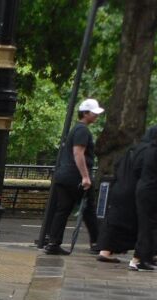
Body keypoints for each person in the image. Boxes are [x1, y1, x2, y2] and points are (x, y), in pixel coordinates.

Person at [96, 121, 157, 269]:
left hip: (126, 188)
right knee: (149, 225)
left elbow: (119, 166)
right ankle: (143, 256)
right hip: (147, 189)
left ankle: (109, 251)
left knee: (117, 221)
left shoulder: (137, 149)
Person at [42, 98, 103, 254]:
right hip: (75, 176)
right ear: (85, 113)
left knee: (62, 209)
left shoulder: (75, 129)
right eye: (94, 113)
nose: (96, 116)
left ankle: (53, 243)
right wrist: (85, 177)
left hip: (63, 175)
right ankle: (97, 243)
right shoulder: (83, 130)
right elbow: (78, 153)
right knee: (89, 208)